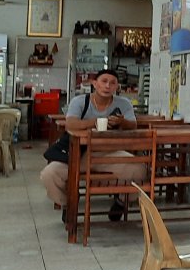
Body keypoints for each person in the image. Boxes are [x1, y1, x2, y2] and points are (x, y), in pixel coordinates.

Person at [40, 69, 146, 221]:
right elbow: (71, 124)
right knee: (49, 175)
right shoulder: (80, 101)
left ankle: (122, 200)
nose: (107, 86)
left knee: (139, 170)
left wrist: (122, 122)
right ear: (95, 84)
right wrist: (95, 122)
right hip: (79, 153)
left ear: (117, 87)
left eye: (112, 83)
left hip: (109, 153)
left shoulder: (123, 103)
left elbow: (133, 125)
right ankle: (68, 203)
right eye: (104, 81)